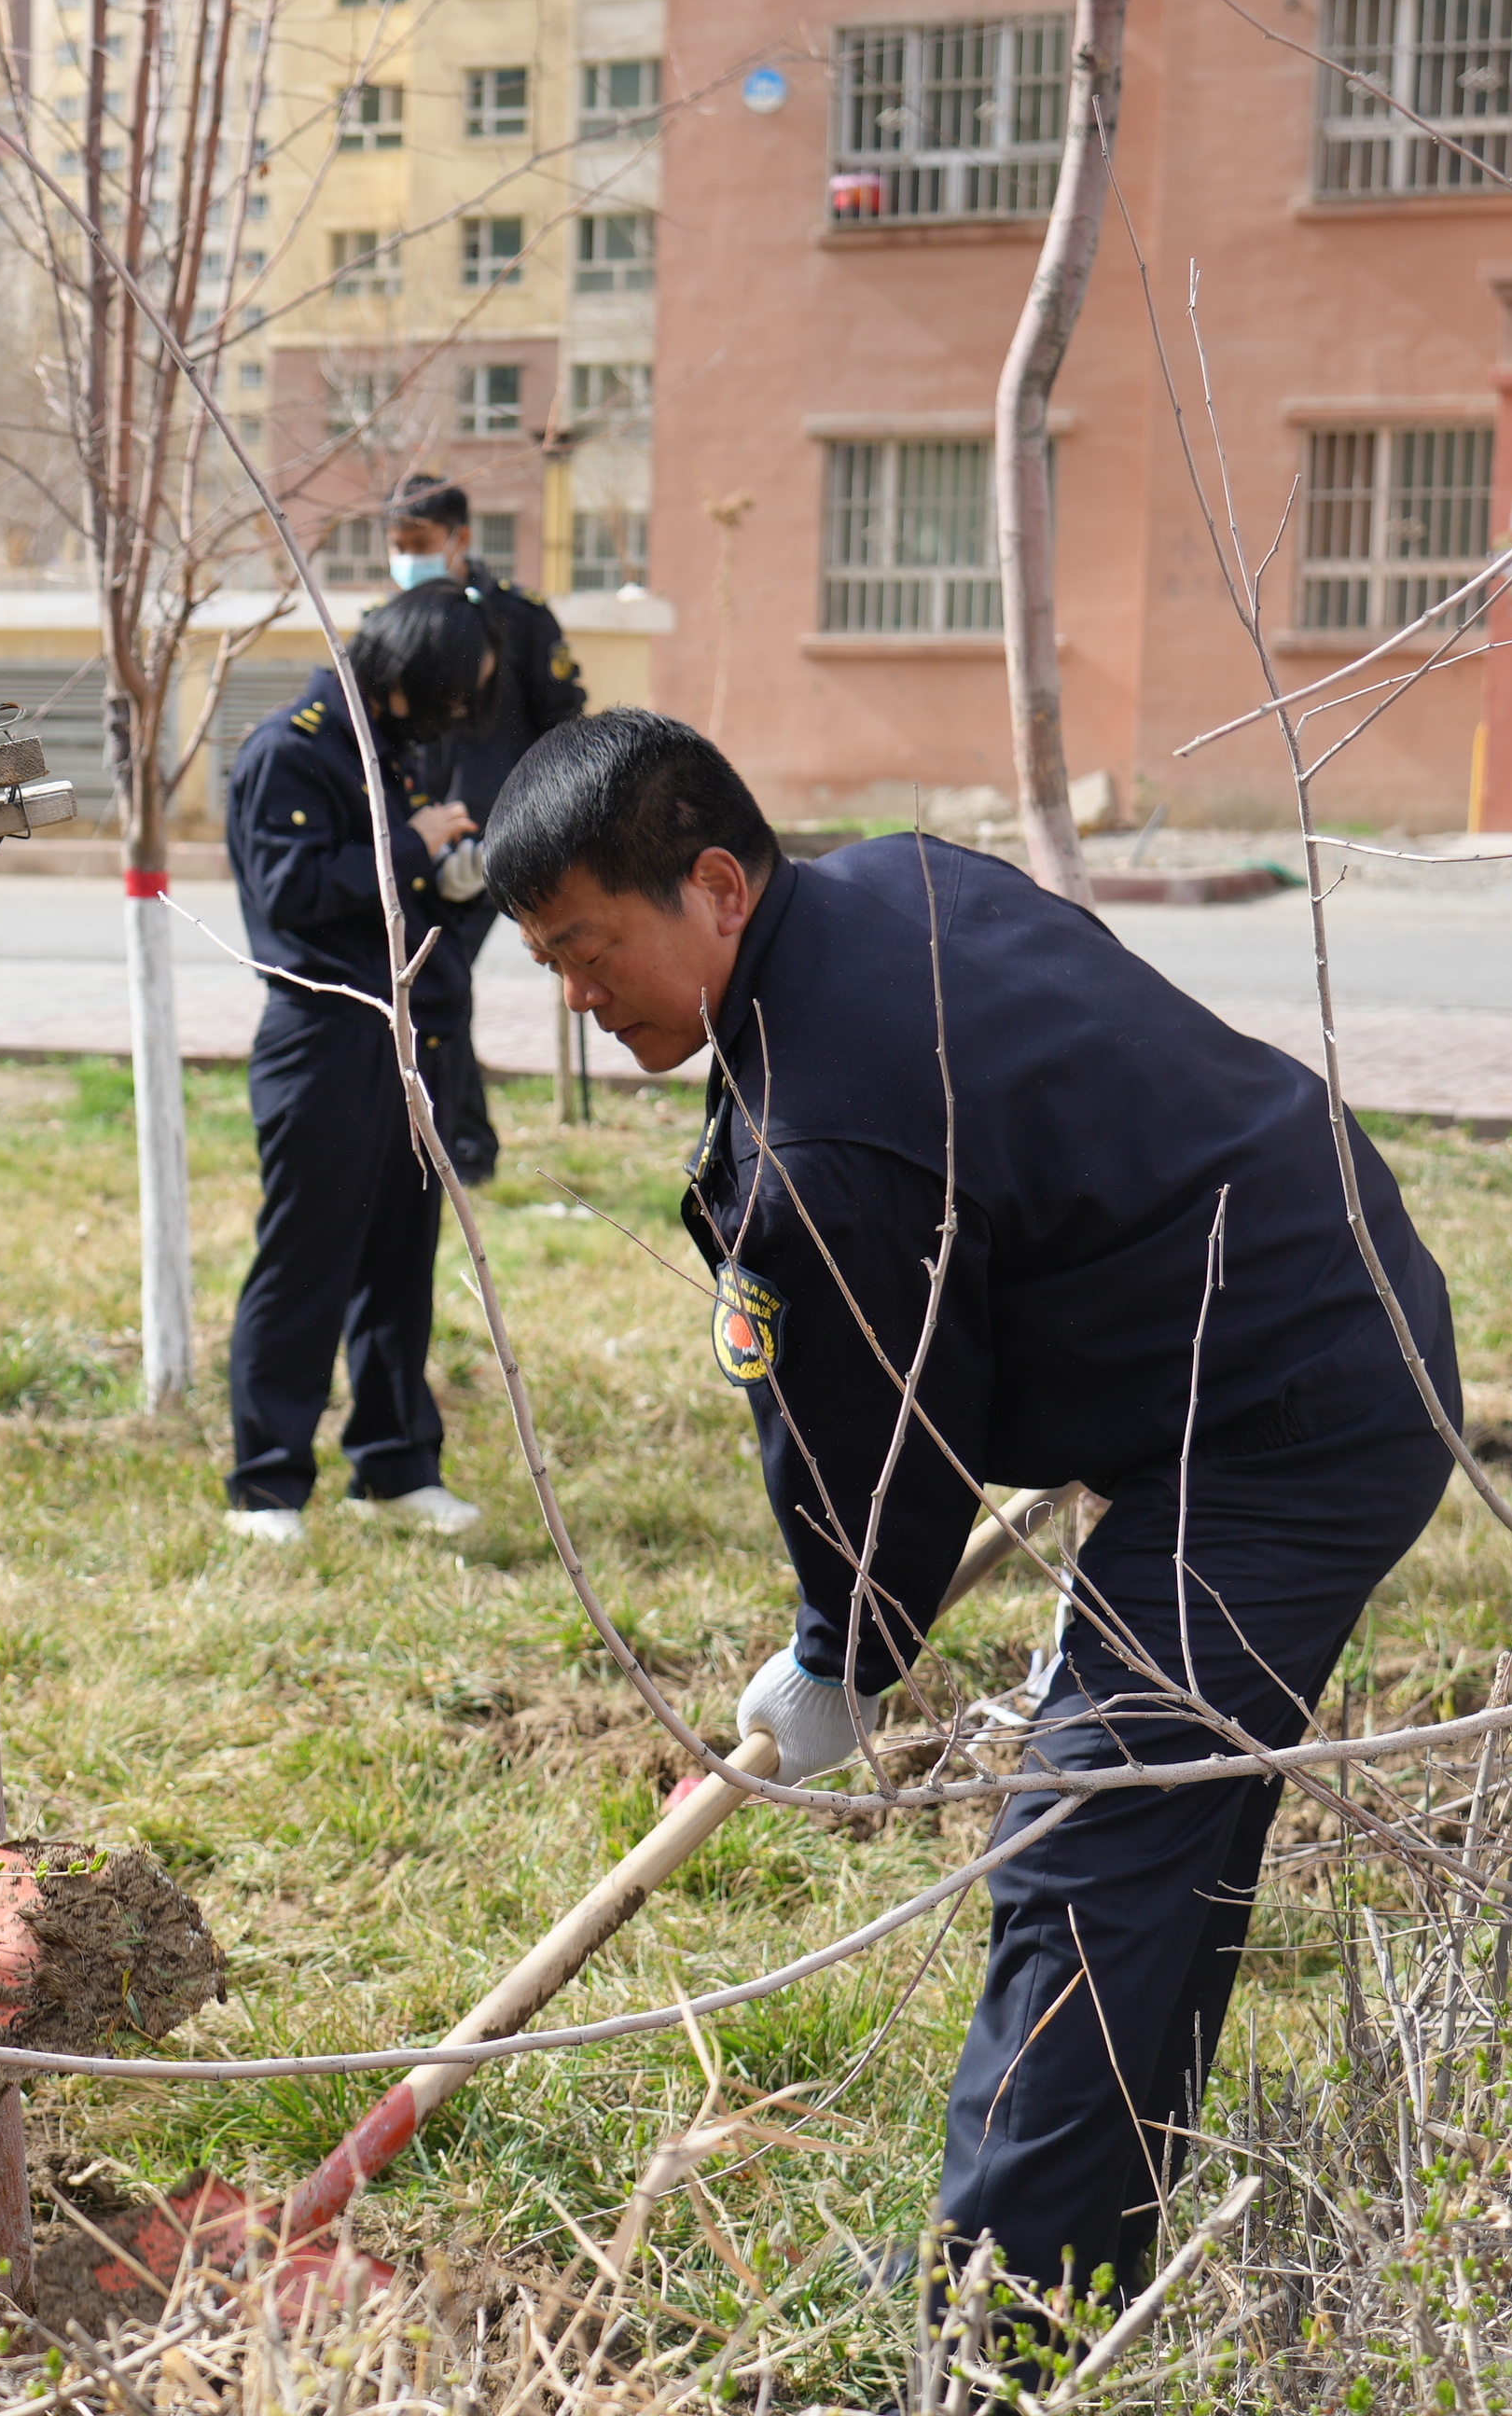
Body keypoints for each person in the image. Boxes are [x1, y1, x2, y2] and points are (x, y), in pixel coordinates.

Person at [485, 710, 1461, 2355]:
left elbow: (872, 1450)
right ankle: (1071, 2249)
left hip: (1291, 1402)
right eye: (546, 962)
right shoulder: (891, 883)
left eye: (589, 946)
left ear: (715, 886)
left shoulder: (819, 1138)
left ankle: (996, 2336)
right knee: (1153, 1830)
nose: (576, 996)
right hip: (1277, 1309)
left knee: (1090, 1839)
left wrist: (839, 1656)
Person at [220, 582, 502, 1546]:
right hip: (326, 1040)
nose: (460, 713)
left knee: (399, 1264)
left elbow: (419, 900)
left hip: (412, 1042)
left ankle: (395, 1465)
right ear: (411, 676)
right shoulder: (291, 751)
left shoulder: (397, 754)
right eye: (455, 691)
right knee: (306, 1266)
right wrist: (412, 849)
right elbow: (288, 890)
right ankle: (266, 1488)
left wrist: (460, 875)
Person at [383, 472, 587, 846]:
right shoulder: (386, 624)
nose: (409, 558)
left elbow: (560, 725)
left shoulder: (522, 618)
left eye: (421, 543)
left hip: (509, 829)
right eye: (398, 546)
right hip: (418, 832)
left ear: (461, 538)